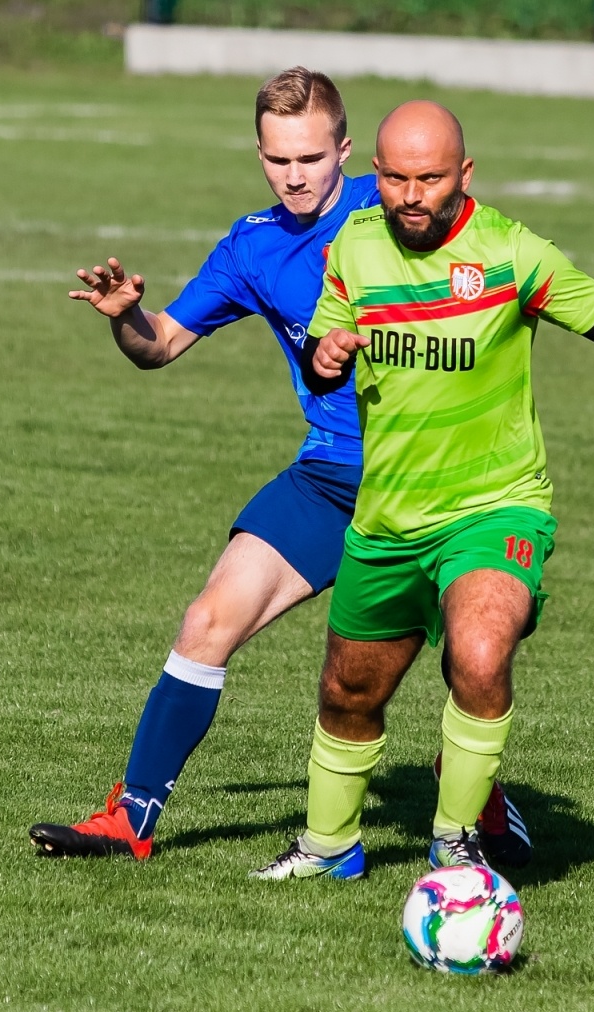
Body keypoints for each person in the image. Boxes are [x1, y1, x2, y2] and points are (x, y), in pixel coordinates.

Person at [29, 71, 533, 867]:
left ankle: (477, 799)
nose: (294, 175)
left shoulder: (401, 200)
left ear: (345, 150)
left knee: (465, 658)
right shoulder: (253, 244)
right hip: (332, 474)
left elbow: (493, 264)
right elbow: (161, 346)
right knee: (206, 622)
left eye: (309, 156)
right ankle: (133, 816)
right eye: (276, 159)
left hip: (440, 479)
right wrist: (126, 318)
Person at [251, 100, 594, 881]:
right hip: (387, 518)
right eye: (398, 179)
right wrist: (327, 352)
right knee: (349, 693)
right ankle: (328, 846)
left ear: (464, 174)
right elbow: (323, 351)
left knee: (480, 656)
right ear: (374, 175)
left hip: (496, 507)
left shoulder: (512, 252)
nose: (413, 196)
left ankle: (456, 842)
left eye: (431, 179)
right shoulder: (355, 246)